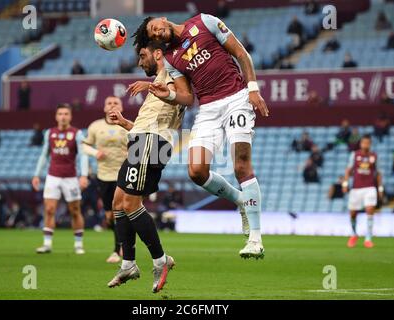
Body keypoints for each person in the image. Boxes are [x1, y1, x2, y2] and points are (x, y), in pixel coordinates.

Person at [133, 12, 269, 260]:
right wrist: (165, 93)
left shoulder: (203, 22)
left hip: (237, 98)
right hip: (208, 109)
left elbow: (241, 53)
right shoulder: (172, 59)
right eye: (152, 35)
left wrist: (252, 89)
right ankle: (241, 201)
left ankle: (255, 239)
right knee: (196, 171)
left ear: (162, 19)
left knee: (241, 166)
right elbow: (187, 97)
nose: (156, 33)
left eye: (155, 27)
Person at [106, 40, 185, 292]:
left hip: (153, 143)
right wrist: (126, 124)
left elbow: (183, 97)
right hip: (143, 140)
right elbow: (154, 119)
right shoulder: (162, 78)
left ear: (158, 53)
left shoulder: (173, 73)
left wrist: (149, 85)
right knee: (118, 201)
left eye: (143, 55)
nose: (140, 62)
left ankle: (161, 260)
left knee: (130, 203)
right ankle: (128, 263)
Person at [32, 103, 89, 254]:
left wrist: (83, 175)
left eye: (66, 114)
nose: (63, 117)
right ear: (56, 116)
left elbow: (83, 155)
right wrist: (37, 174)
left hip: (71, 177)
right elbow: (44, 154)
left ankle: (78, 244)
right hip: (53, 176)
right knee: (49, 209)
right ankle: (47, 244)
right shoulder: (49, 133)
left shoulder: (77, 133)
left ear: (70, 116)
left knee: (75, 210)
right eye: (60, 114)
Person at [82, 96, 129, 264]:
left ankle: (118, 249)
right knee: (109, 216)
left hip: (123, 175)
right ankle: (123, 240)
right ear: (104, 108)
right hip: (103, 176)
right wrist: (95, 153)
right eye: (109, 103)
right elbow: (84, 145)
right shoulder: (96, 126)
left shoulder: (128, 126)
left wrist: (131, 153)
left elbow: (140, 144)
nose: (112, 105)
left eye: (116, 103)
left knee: (120, 212)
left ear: (122, 107)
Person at [343, 135, 383, 248]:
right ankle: (354, 234)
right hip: (356, 188)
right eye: (363, 143)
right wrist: (345, 183)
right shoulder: (354, 155)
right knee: (352, 213)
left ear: (370, 144)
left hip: (370, 187)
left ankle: (368, 238)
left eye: (367, 143)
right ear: (361, 144)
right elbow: (348, 170)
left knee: (370, 209)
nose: (365, 145)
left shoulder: (374, 156)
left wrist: (380, 188)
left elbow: (379, 173)